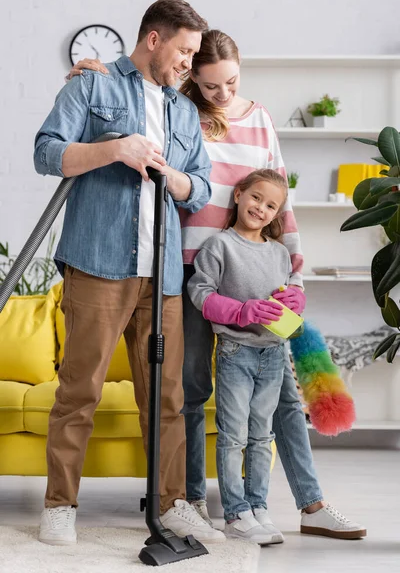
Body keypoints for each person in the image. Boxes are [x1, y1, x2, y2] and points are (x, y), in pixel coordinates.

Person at [67, 29, 366, 540]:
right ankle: (189, 502)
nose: (222, 94)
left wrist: (292, 268)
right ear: (192, 80)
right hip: (189, 271)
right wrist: (95, 69)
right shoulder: (175, 113)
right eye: (208, 86)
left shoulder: (262, 119)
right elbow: (138, 76)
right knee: (190, 389)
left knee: (287, 394)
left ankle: (311, 504)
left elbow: (280, 197)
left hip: (264, 275)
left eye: (230, 81)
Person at [33, 0, 227, 547]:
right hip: (98, 264)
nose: (189, 62)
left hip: (162, 276)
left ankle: (171, 504)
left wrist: (178, 178)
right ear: (153, 40)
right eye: (184, 50)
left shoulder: (183, 112)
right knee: (79, 391)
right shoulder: (91, 89)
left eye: (193, 53)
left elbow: (203, 187)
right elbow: (46, 153)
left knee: (166, 400)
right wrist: (115, 148)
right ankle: (59, 506)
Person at [188, 168, 293, 543]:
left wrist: (296, 298)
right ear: (238, 195)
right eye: (256, 198)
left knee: (262, 436)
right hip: (235, 352)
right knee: (233, 436)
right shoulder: (220, 246)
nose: (261, 209)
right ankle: (235, 514)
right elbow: (200, 293)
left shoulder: (280, 253)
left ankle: (257, 506)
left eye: (271, 206)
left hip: (273, 353)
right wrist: (240, 312)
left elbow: (289, 291)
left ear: (277, 214)